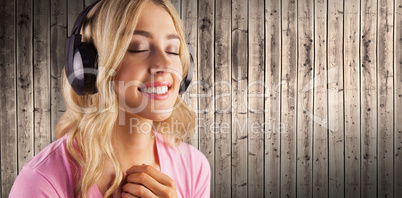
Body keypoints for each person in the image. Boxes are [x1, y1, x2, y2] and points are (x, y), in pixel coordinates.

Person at [9, 0, 211, 197]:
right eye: (138, 48)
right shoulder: (42, 181)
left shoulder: (194, 167)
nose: (164, 64)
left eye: (172, 50)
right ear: (90, 67)